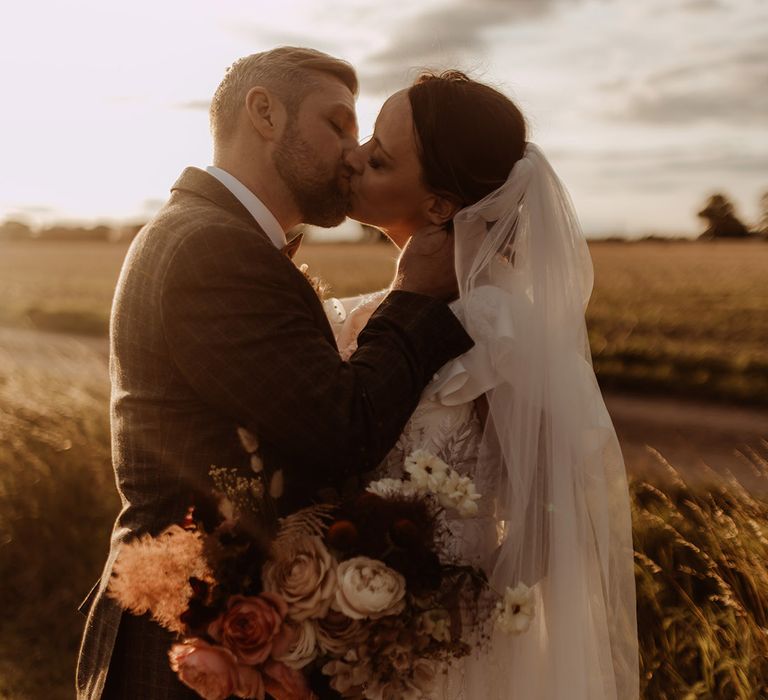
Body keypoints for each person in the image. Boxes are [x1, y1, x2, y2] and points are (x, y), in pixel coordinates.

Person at [75, 49, 474, 700]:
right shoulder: (212, 247)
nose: (353, 153)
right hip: (182, 648)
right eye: (337, 125)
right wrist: (413, 299)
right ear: (264, 113)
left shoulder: (215, 236)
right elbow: (341, 426)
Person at [323, 71, 640, 699]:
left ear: (440, 205)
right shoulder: (390, 310)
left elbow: (552, 515)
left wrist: (444, 610)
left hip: (441, 656)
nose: (353, 159)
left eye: (379, 159)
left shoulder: (496, 326)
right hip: (355, 643)